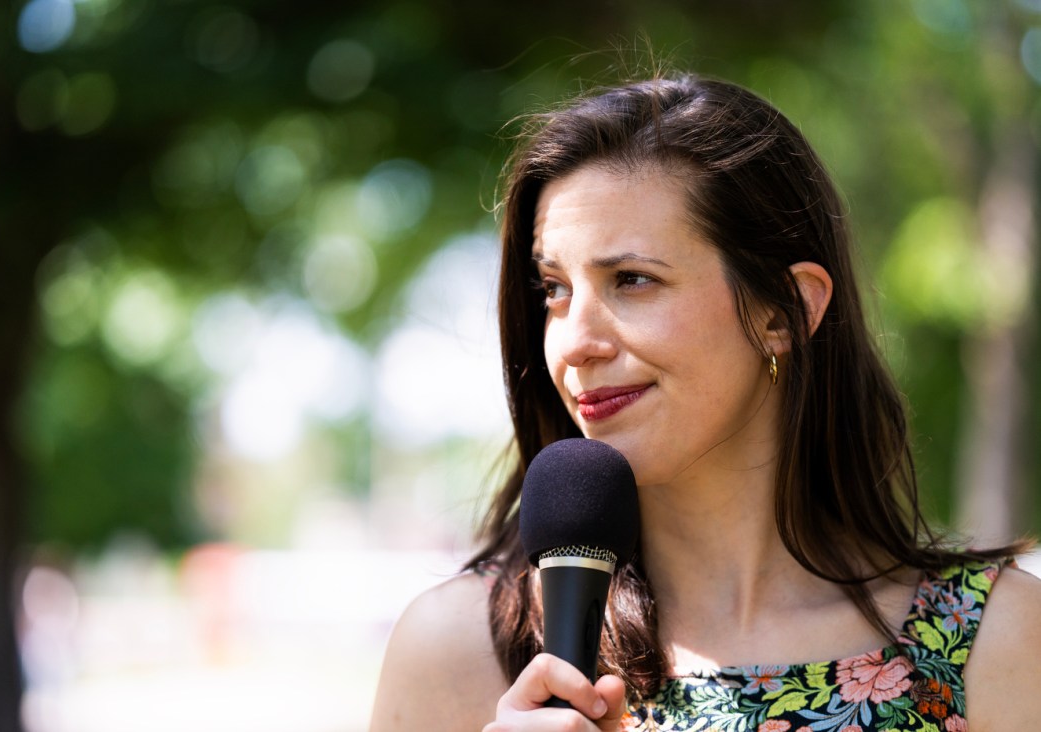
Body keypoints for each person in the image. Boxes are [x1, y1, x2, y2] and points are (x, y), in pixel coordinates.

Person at [368, 74, 1041, 732]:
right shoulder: (459, 650)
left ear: (783, 310)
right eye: (553, 288)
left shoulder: (998, 643)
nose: (574, 343)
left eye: (632, 280)